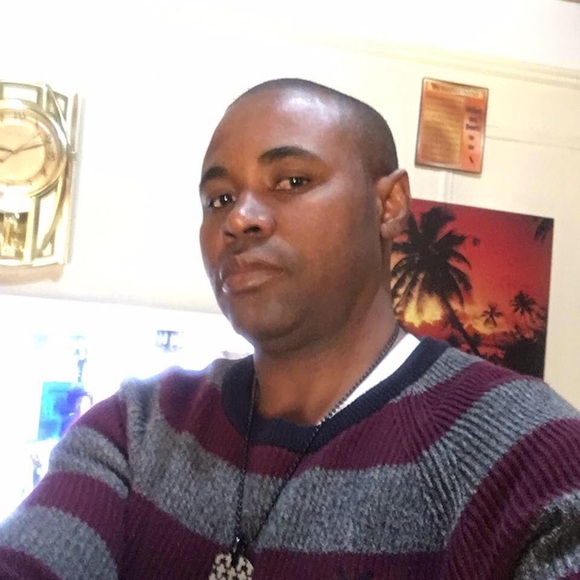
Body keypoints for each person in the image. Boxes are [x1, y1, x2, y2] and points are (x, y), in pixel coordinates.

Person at [1, 78, 579, 580]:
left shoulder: (531, 454)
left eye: (293, 181)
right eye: (219, 198)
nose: (239, 218)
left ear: (389, 205)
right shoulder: (137, 429)